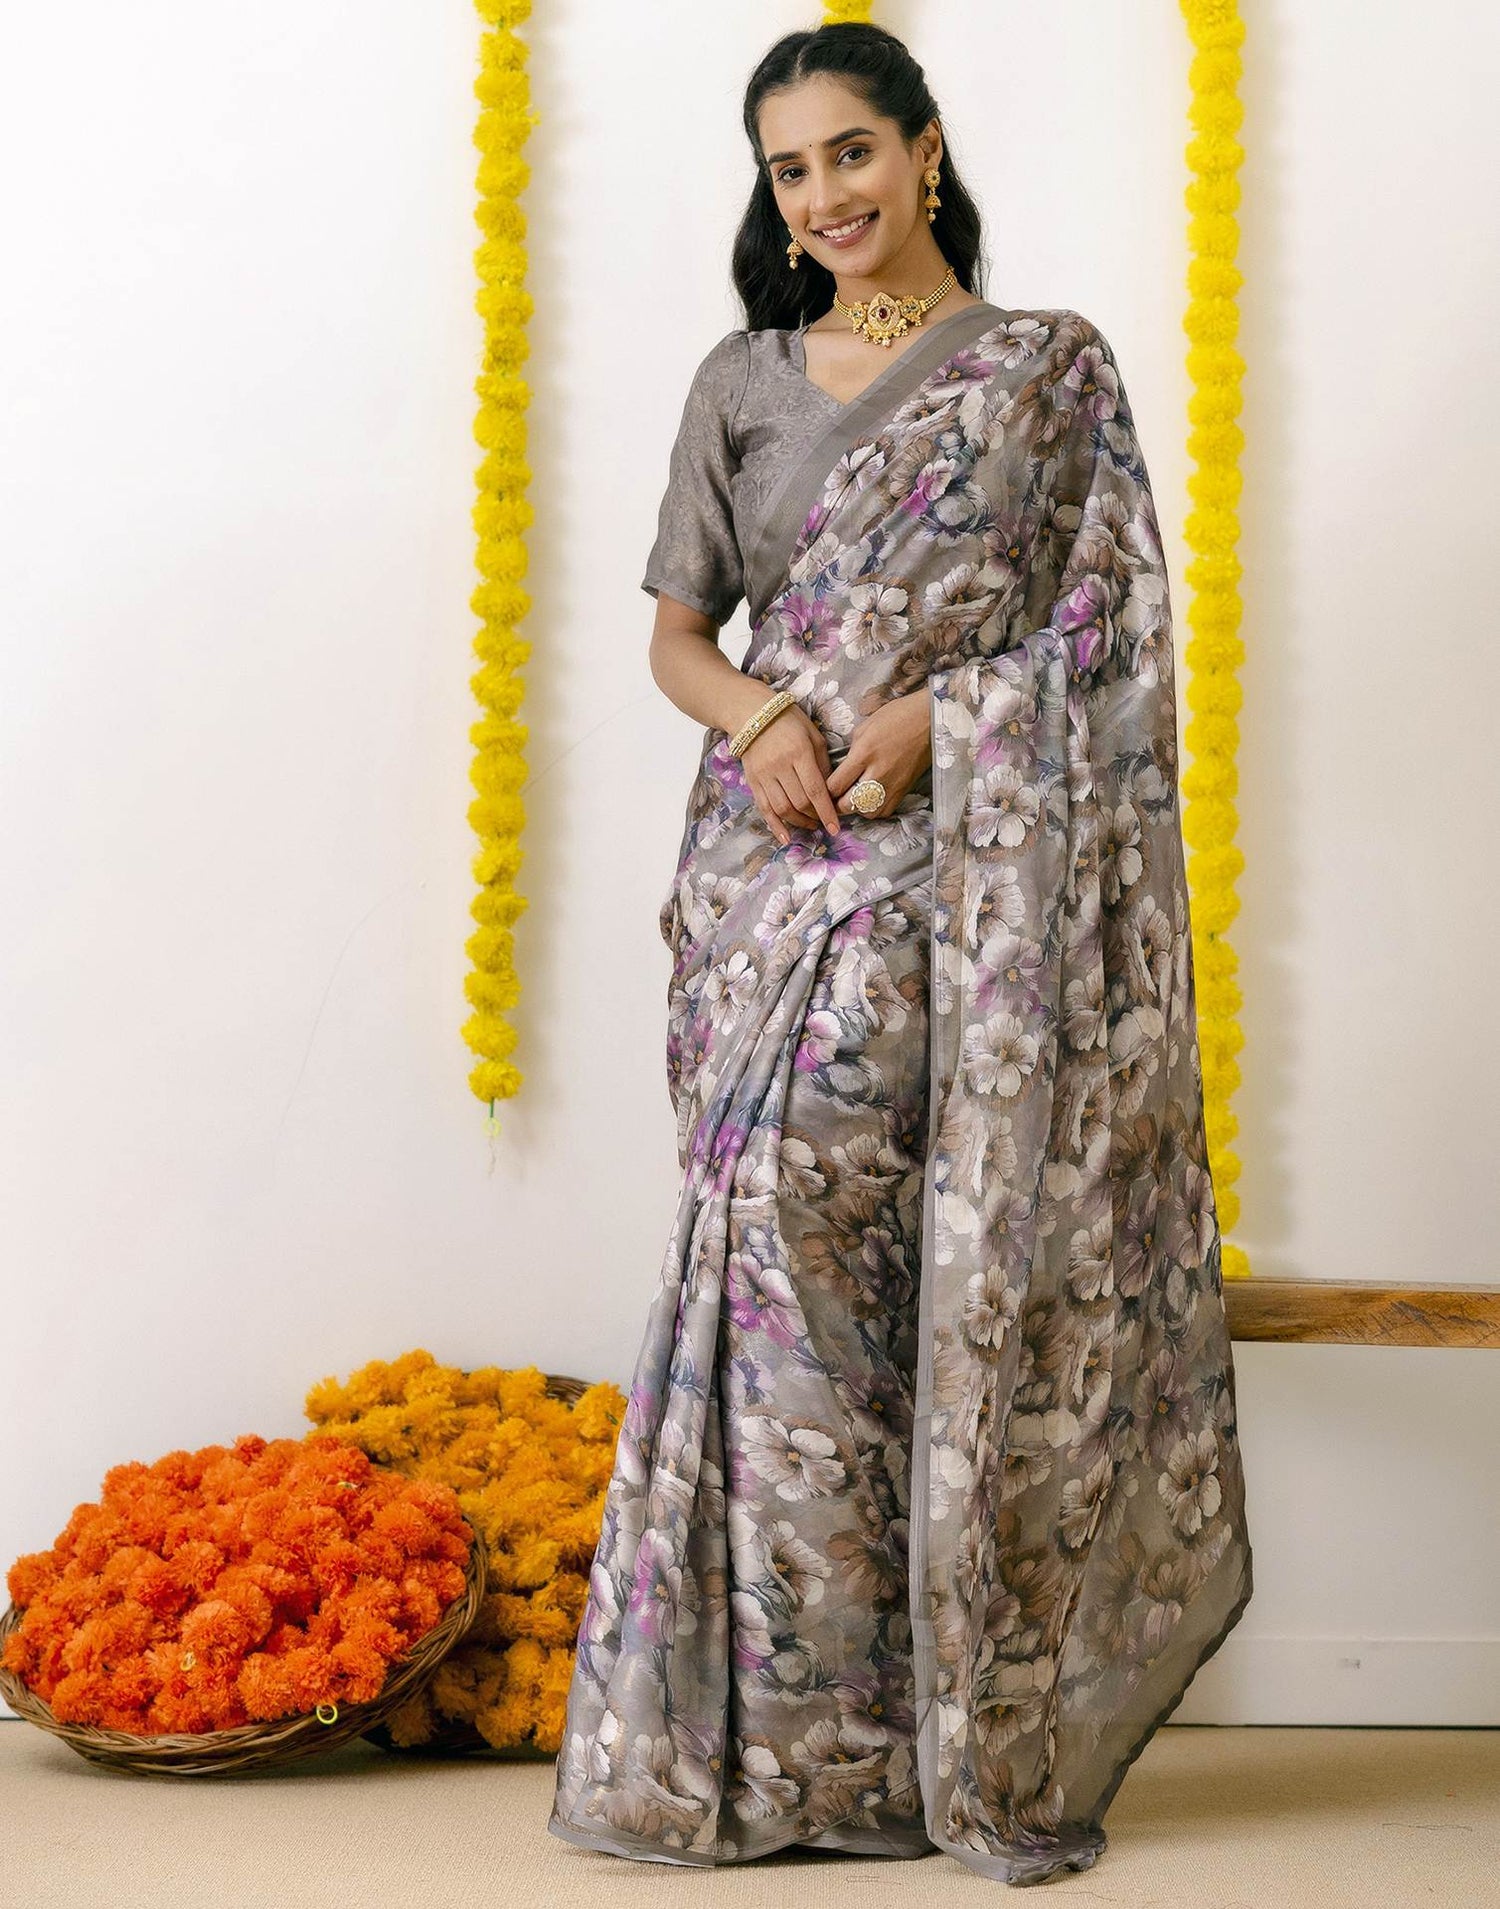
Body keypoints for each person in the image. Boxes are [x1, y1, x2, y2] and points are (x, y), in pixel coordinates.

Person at [548, 19, 1253, 1888]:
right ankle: (791, 1750)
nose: (828, 196)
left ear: (925, 153)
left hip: (975, 896)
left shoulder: (1044, 371)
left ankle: (940, 1733)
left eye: (855, 153)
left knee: (935, 1291)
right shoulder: (743, 379)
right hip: (777, 876)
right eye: (792, 170)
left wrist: (951, 718)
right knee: (772, 1272)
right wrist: (766, 716)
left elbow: (1113, 638)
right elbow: (678, 637)